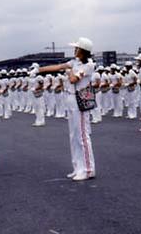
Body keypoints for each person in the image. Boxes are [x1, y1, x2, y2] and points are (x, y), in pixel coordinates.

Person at [35, 37, 96, 181]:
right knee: (74, 136)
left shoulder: (89, 65)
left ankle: (88, 169)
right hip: (70, 99)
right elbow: (58, 67)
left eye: (77, 48)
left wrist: (69, 71)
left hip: (80, 100)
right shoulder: (74, 62)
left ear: (83, 51)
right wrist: (39, 70)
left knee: (82, 136)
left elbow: (74, 79)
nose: (74, 50)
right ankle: (77, 167)